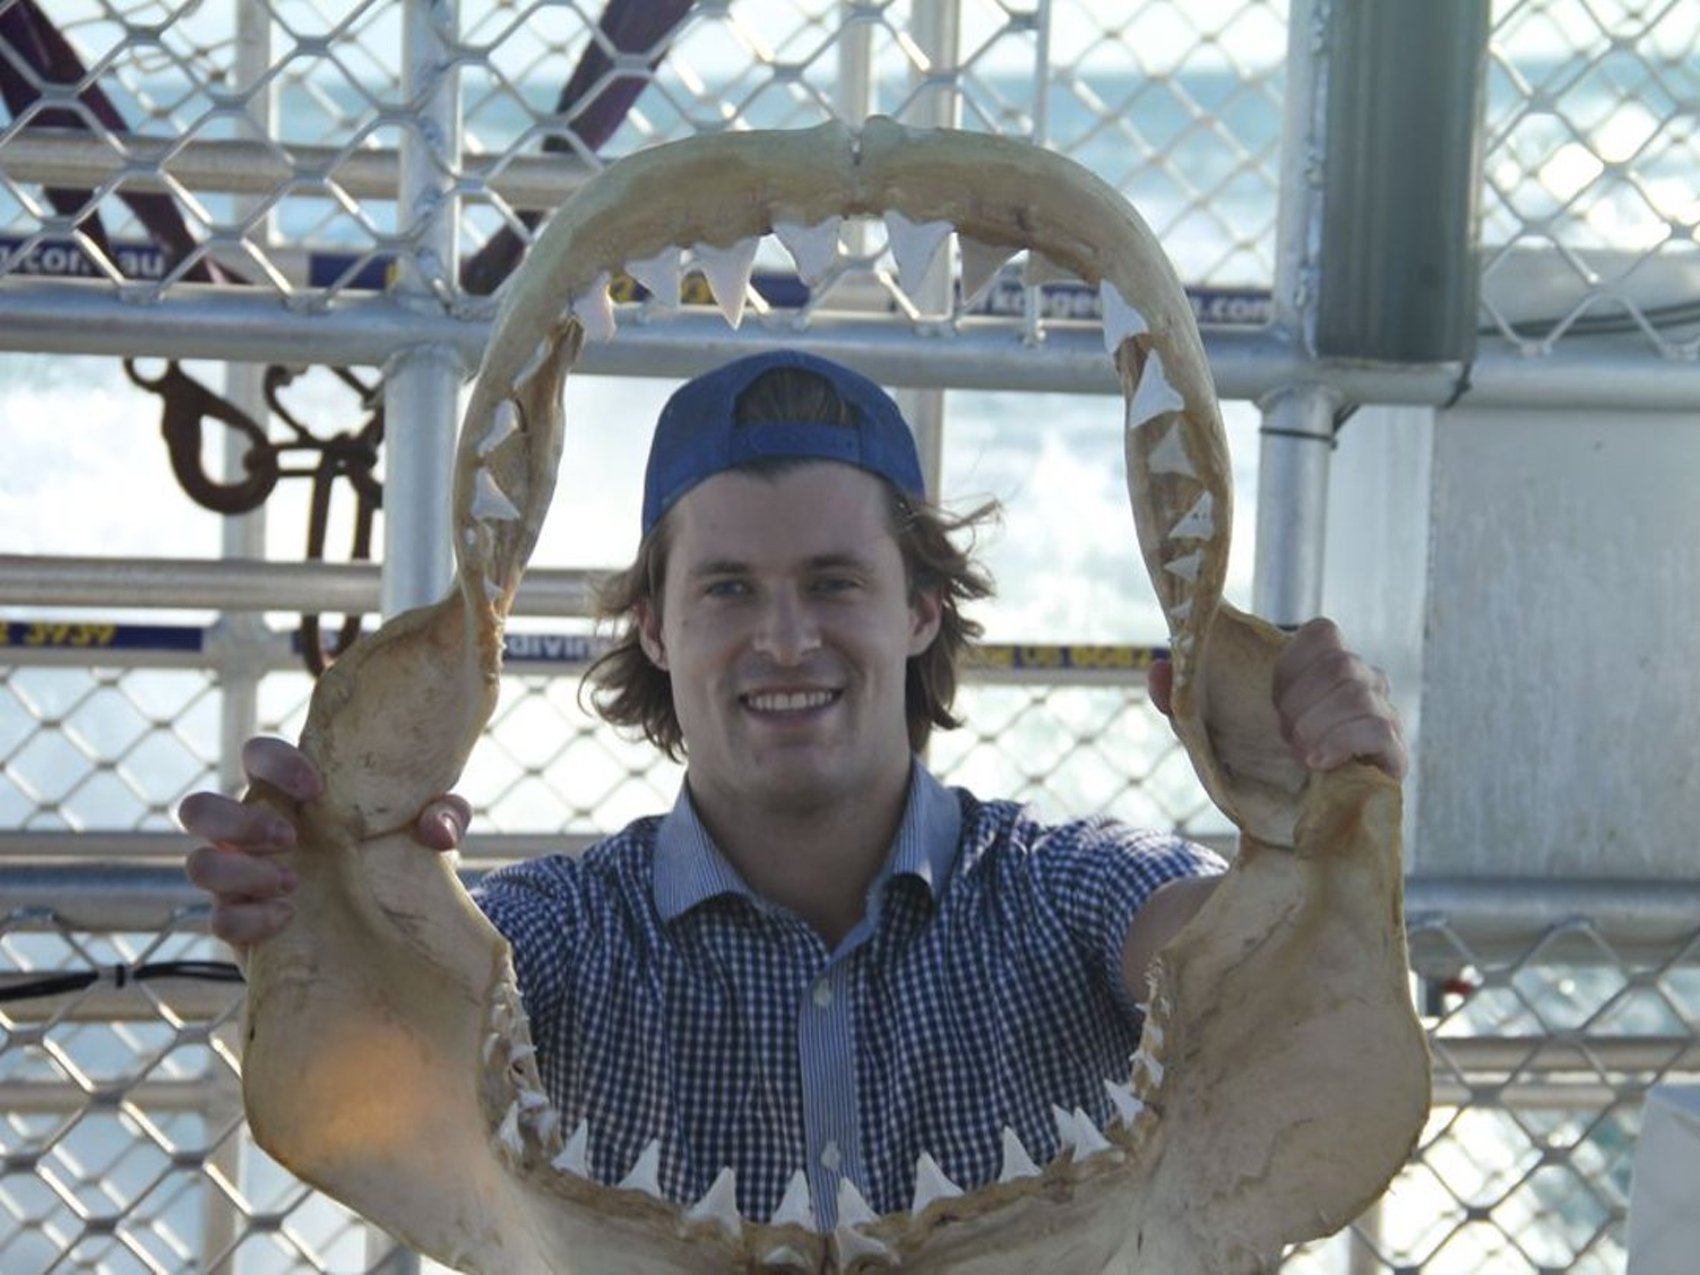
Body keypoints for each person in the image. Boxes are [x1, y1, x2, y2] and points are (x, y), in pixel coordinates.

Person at [180, 349, 1405, 1231]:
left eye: (833, 582)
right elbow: (394, 1055)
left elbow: (1251, 971)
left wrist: (1317, 827)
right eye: (727, 589)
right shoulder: (560, 934)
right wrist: (333, 909)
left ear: (921, 611)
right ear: (654, 627)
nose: (783, 639)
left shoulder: (1065, 890)